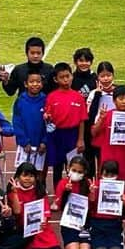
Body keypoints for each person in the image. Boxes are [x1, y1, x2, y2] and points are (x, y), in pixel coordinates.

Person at [44, 62, 87, 191]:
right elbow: (48, 119)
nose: (65, 79)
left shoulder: (78, 97)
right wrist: (47, 118)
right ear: (56, 79)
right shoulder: (51, 97)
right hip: (57, 135)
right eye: (62, 77)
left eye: (67, 76)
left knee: (75, 167)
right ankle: (58, 195)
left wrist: (80, 139)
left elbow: (82, 120)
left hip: (73, 136)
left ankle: (75, 194)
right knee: (57, 167)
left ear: (71, 76)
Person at [7, 162, 62, 249]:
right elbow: (17, 212)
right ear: (18, 177)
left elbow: (46, 210)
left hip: (41, 228)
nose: (28, 179)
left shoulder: (39, 191)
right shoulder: (13, 192)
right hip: (25, 229)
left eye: (31, 176)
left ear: (35, 178)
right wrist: (15, 193)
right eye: (24, 175)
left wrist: (44, 219)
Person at [91, 85, 125, 186]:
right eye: (121, 99)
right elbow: (94, 132)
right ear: (114, 100)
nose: (124, 101)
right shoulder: (106, 115)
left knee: (124, 191)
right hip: (108, 160)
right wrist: (101, 119)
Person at [51, 154, 92, 249]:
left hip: (84, 223)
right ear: (68, 168)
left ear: (84, 172)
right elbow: (59, 205)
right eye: (74, 170)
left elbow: (92, 206)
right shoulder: (63, 183)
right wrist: (65, 192)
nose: (76, 173)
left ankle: (86, 240)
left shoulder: (88, 183)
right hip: (69, 223)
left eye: (79, 172)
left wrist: (92, 193)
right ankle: (71, 241)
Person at [11, 70, 48, 172]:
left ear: (42, 84)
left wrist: (45, 142)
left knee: (40, 173)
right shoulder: (20, 101)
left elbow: (50, 123)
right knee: (23, 172)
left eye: (38, 82)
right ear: (26, 84)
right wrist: (24, 142)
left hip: (41, 145)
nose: (35, 84)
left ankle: (41, 188)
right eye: (32, 82)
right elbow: (17, 122)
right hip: (25, 145)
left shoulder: (46, 100)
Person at [89, 160, 125, 249]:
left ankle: (119, 238)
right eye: (106, 174)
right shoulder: (95, 186)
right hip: (98, 224)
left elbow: (124, 212)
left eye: (112, 174)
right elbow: (90, 209)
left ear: (117, 174)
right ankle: (95, 241)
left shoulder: (120, 187)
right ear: (101, 174)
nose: (109, 177)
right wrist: (91, 196)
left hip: (114, 224)